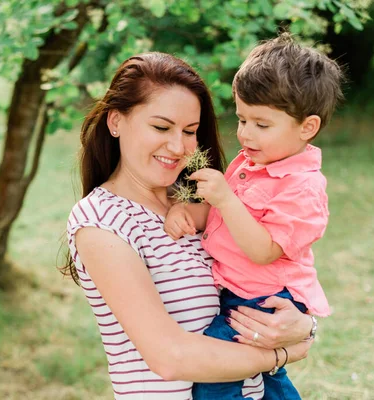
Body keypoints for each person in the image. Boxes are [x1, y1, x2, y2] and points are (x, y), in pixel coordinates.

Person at [63, 51, 316, 400]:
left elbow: (270, 276)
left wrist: (304, 325)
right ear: (116, 122)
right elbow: (170, 357)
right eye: (161, 127)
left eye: (190, 131)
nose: (178, 146)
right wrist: (282, 354)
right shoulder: (102, 221)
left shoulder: (200, 205)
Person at [164, 34, 343, 399]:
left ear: (307, 127)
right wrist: (188, 211)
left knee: (216, 368)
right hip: (239, 290)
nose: (245, 134)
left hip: (265, 298)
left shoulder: (302, 187)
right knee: (266, 377)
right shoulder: (250, 163)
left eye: (261, 125)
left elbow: (264, 251)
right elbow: (217, 216)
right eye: (242, 118)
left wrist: (226, 200)